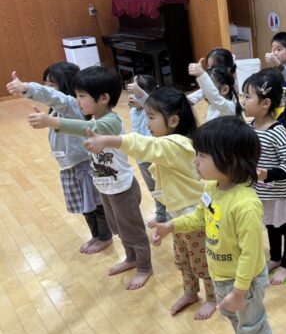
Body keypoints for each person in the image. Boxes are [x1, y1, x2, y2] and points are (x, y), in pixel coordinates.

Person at [84, 86, 217, 320]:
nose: (147, 124)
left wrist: (108, 140)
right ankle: (190, 293)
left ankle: (213, 298)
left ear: (173, 120)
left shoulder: (177, 143)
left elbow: (145, 146)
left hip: (193, 216)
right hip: (178, 215)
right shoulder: (169, 142)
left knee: (201, 261)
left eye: (152, 117)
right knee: (183, 259)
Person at [151, 116, 274, 334]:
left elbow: (251, 255)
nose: (196, 161)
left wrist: (239, 292)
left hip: (245, 283)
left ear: (230, 160)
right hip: (220, 273)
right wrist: (171, 226)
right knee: (232, 315)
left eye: (202, 155)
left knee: (254, 326)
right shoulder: (211, 189)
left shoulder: (246, 205)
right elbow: (199, 217)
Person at [27, 66, 152, 290]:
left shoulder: (110, 121)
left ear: (104, 98)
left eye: (82, 96)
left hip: (122, 189)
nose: (78, 101)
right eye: (77, 95)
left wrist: (52, 122)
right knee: (118, 228)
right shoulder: (96, 116)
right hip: (105, 188)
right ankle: (131, 258)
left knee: (133, 231)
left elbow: (87, 127)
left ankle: (144, 267)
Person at [6, 65, 111, 254]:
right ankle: (96, 235)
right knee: (85, 206)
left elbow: (54, 97)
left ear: (67, 87)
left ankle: (105, 237)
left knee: (96, 205)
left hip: (83, 165)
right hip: (69, 165)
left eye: (51, 84)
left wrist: (27, 88)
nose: (47, 88)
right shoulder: (58, 110)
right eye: (45, 83)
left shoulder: (72, 105)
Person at [242, 69, 286, 285]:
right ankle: (275, 257)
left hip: (279, 193)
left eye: (247, 96)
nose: (243, 101)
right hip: (260, 192)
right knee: (270, 226)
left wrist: (268, 174)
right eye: (243, 95)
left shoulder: (277, 131)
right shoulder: (249, 127)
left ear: (265, 103)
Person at [127, 75, 170, 223]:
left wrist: (141, 95)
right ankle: (161, 213)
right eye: (131, 92)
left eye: (136, 93)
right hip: (142, 158)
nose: (131, 96)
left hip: (155, 156)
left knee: (164, 185)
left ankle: (172, 213)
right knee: (153, 188)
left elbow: (147, 101)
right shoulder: (133, 111)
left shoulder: (152, 109)